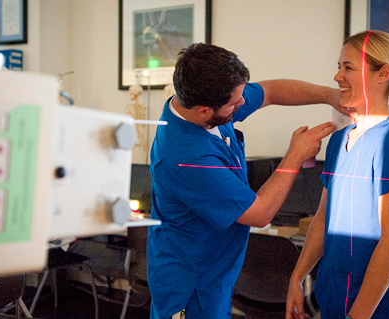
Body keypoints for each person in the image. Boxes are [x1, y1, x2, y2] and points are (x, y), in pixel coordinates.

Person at [147, 43, 348, 319]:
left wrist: (331, 96)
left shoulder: (206, 104)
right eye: (235, 103)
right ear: (204, 111)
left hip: (217, 273)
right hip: (191, 286)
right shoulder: (185, 157)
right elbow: (261, 212)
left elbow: (271, 92)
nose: (242, 104)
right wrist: (294, 156)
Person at [286, 30, 389, 319]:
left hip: (382, 305)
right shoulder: (340, 140)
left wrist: (357, 315)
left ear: (383, 73)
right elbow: (324, 217)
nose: (338, 76)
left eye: (347, 67)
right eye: (338, 67)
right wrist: (297, 278)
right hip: (336, 294)